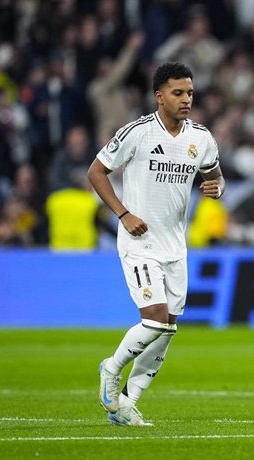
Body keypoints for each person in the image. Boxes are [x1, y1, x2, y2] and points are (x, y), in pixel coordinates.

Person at [88, 62, 225, 426]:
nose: (186, 100)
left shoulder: (201, 138)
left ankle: (129, 402)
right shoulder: (137, 133)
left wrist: (217, 187)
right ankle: (111, 368)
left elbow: (215, 175)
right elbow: (96, 171)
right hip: (139, 242)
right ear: (159, 96)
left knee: (169, 326)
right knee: (155, 319)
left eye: (190, 93)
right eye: (178, 93)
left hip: (175, 247)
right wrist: (122, 213)